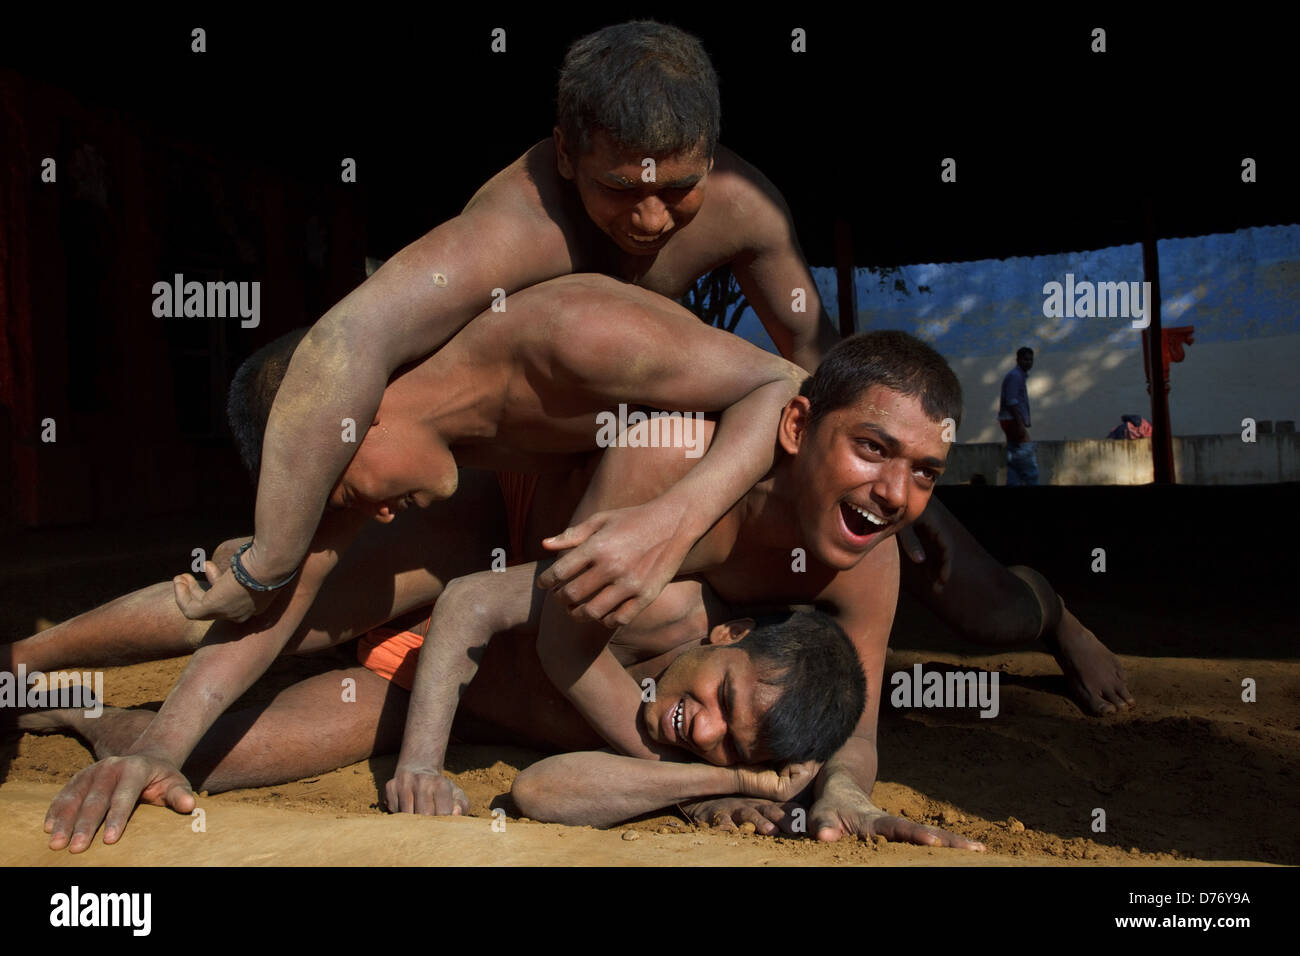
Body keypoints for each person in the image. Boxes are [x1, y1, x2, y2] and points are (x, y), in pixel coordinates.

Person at [170, 22, 1116, 728]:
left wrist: (916, 510)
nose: (655, 220)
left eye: (680, 188)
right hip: (541, 465)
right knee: (361, 583)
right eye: (623, 188)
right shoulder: (514, 220)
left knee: (978, 607)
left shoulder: (745, 208)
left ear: (714, 153)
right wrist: (273, 549)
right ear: (568, 148)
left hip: (695, 451)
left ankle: (1052, 610)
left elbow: (821, 366)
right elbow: (351, 340)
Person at [999, 346, 1038, 486]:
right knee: (1027, 455)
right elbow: (1012, 402)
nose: (1028, 362)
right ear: (1018, 359)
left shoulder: (1018, 376)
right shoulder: (1015, 376)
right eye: (1025, 359)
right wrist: (1020, 424)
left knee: (1014, 461)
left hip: (1011, 421)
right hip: (1012, 421)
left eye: (1030, 359)